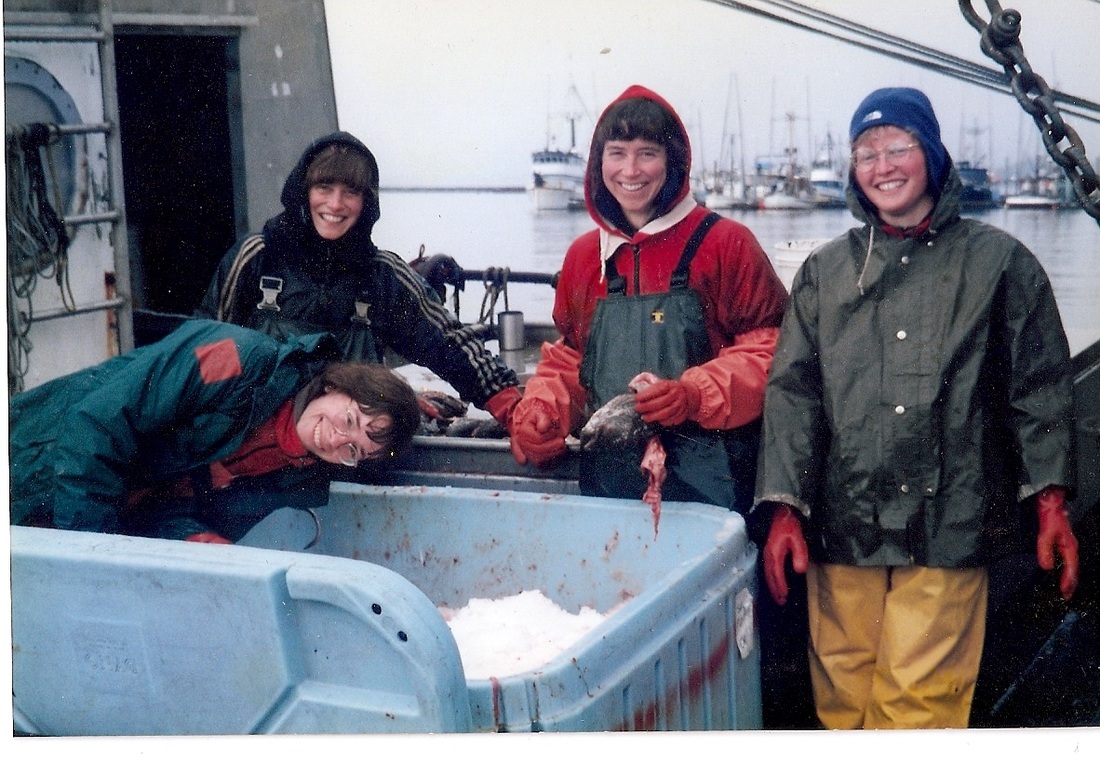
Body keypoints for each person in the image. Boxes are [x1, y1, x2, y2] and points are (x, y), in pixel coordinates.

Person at [754, 87, 1080, 729]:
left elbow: (1040, 392)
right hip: (843, 525)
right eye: (866, 152)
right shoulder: (824, 272)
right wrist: (785, 508)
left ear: (931, 153)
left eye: (898, 147)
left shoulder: (999, 264)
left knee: (919, 708)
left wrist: (1051, 502)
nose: (883, 165)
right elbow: (792, 395)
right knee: (841, 696)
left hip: (950, 525)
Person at [507, 84, 788, 513]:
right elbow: (570, 360)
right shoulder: (585, 257)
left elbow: (773, 350)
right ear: (597, 162)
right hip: (608, 485)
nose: (630, 170)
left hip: (716, 487)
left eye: (647, 153)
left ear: (673, 160)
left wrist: (695, 395)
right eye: (616, 152)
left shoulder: (726, 243)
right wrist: (541, 414)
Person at [194, 131, 521, 430]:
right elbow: (201, 346)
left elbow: (449, 341)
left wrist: (510, 404)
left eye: (350, 192)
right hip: (259, 436)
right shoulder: (256, 257)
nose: (335, 205)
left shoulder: (382, 274)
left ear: (366, 202)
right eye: (324, 188)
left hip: (351, 445)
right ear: (303, 191)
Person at [10, 319, 421, 544]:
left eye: (352, 450)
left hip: (61, 526)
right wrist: (92, 551)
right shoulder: (236, 359)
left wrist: (203, 546)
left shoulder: (289, 477)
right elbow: (97, 423)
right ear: (335, 385)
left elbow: (165, 516)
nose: (334, 439)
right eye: (349, 420)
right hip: (31, 461)